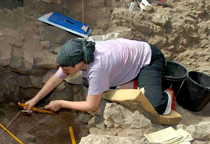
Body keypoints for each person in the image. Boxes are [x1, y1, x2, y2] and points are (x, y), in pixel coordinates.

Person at [25, 38, 175, 116]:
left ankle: (166, 94)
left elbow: (92, 106)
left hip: (148, 59)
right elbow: (56, 79)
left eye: (65, 69)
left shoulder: (98, 68)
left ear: (78, 64)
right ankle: (131, 81)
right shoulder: (83, 52)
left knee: (155, 107)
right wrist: (34, 100)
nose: (63, 71)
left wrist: (61, 103)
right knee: (89, 83)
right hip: (126, 61)